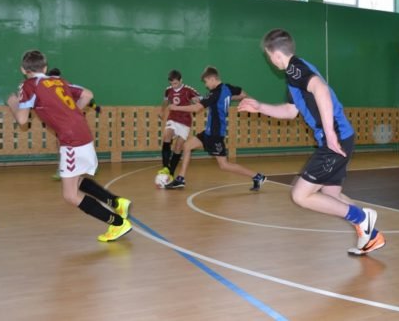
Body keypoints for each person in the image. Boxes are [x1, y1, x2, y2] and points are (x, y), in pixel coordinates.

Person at [238, 28, 384, 256]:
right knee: (330, 196)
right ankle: (371, 236)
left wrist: (330, 134)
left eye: (268, 56)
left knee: (300, 195)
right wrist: (260, 107)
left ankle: (362, 218)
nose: (269, 61)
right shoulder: (294, 75)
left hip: (333, 140)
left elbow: (322, 90)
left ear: (275, 54)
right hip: (339, 138)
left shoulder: (296, 69)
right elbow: (289, 112)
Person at [6, 50, 132, 242]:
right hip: (82, 133)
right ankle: (116, 202)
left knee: (70, 195)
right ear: (45, 67)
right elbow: (88, 95)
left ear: (23, 69)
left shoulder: (29, 85)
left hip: (72, 140)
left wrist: (13, 104)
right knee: (76, 179)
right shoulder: (58, 81)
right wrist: (72, 114)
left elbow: (23, 120)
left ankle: (117, 223)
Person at [164, 66, 266, 191]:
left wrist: (176, 108)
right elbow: (242, 94)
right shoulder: (227, 88)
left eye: (206, 82)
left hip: (215, 134)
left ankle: (257, 176)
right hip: (208, 132)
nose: (206, 85)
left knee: (224, 165)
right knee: (187, 146)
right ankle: (181, 179)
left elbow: (196, 108)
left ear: (212, 79)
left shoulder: (215, 93)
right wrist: (242, 101)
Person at [46, 67, 101, 181]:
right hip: (76, 120)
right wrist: (95, 107)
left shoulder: (48, 85)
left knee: (64, 144)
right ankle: (91, 166)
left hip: (63, 120)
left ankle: (62, 169)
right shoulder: (67, 83)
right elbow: (87, 96)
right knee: (84, 142)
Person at [158, 70, 200, 179]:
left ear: (181, 80)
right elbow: (166, 101)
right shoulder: (168, 90)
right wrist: (162, 111)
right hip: (173, 118)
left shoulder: (188, 90)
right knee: (167, 135)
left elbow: (199, 101)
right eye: (171, 84)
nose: (173, 86)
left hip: (185, 121)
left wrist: (197, 101)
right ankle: (165, 167)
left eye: (175, 83)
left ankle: (171, 173)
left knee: (178, 147)